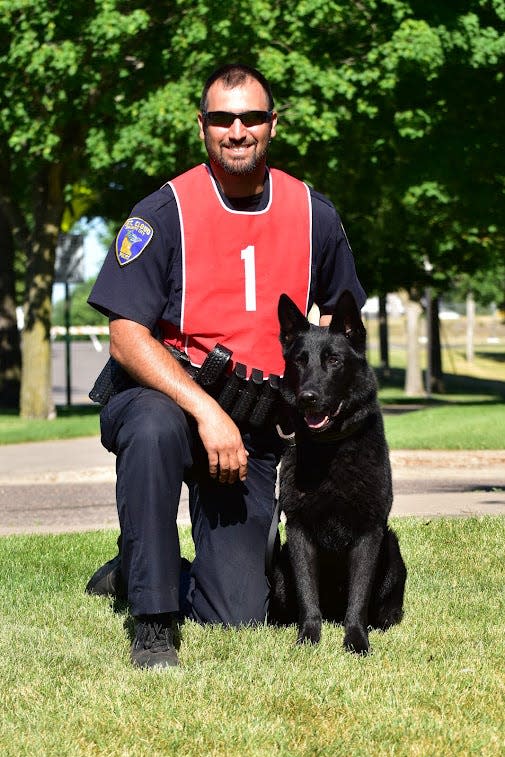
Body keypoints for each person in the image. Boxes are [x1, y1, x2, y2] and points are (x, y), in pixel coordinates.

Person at [85, 63, 366, 669]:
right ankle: (154, 622)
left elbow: (341, 331)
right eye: (222, 118)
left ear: (272, 125)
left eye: (251, 118)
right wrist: (206, 410)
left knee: (237, 612)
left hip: (255, 428)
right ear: (202, 127)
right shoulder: (164, 212)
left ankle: (138, 565)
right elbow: (125, 336)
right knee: (156, 427)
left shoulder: (314, 213)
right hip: (167, 400)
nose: (237, 130)